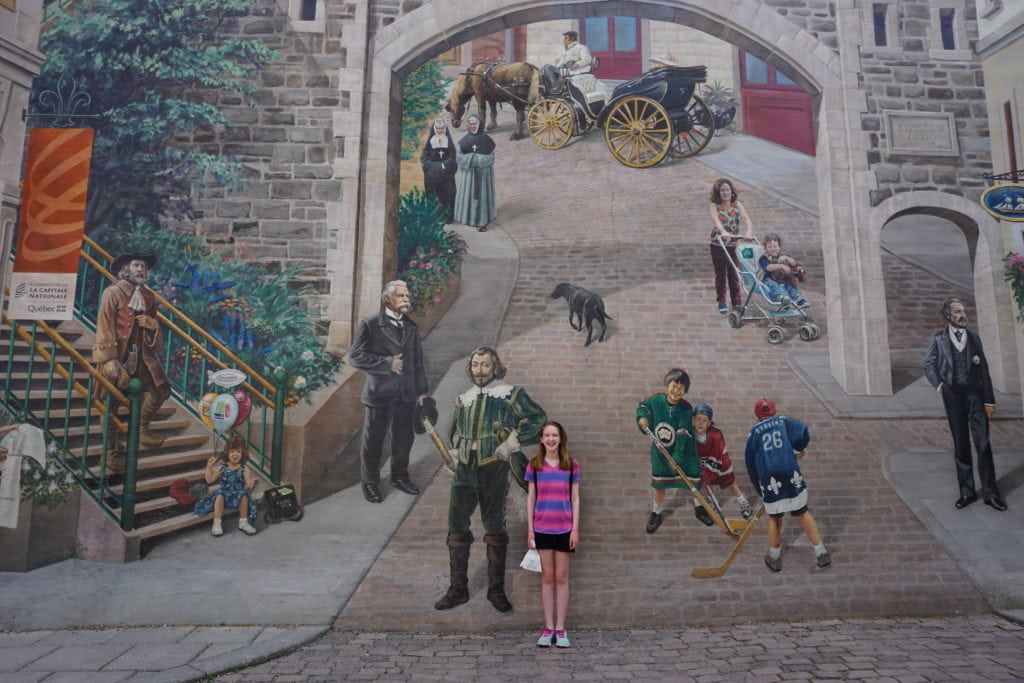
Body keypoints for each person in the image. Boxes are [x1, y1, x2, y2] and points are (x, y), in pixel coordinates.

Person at [435, 346, 547, 613]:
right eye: (475, 365)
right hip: (464, 470)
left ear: (495, 367)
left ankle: (496, 590)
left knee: (494, 525)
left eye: (486, 366)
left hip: (494, 466)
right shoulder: (464, 398)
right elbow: (455, 432)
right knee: (456, 526)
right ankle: (458, 589)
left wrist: (513, 441)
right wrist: (453, 453)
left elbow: (538, 419)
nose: (480, 371)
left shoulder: (510, 394)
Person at [922, 297, 1007, 511]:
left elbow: (984, 370)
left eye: (963, 311)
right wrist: (941, 386)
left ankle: (990, 493)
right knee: (961, 444)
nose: (962, 315)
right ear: (948, 316)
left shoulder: (974, 339)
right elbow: (928, 365)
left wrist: (989, 399)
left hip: (975, 396)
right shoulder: (939, 339)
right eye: (958, 312)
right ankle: (967, 492)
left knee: (983, 444)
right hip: (953, 397)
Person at [349, 280, 428, 504]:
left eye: (407, 295)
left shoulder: (411, 327)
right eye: (401, 296)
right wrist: (387, 364)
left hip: (406, 394)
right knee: (374, 440)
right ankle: (370, 482)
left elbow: (417, 361)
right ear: (387, 299)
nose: (406, 299)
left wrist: (421, 391)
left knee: (404, 438)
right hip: (380, 394)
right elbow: (355, 356)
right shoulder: (371, 324)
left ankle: (399, 477)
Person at [92, 253, 172, 466]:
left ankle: (141, 428)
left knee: (161, 389)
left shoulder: (148, 296)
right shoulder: (112, 293)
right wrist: (108, 359)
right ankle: (110, 451)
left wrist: (153, 327)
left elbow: (154, 326)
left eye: (144, 266)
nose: (141, 269)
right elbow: (104, 325)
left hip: (142, 356)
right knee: (112, 402)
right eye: (136, 265)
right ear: (126, 269)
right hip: (117, 356)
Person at [744, 398, 830, 572]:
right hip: (790, 473)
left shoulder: (753, 435)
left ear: (755, 417)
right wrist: (798, 449)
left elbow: (750, 464)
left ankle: (775, 557)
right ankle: (821, 552)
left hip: (769, 479)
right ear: (775, 412)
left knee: (775, 518)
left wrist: (759, 488)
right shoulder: (783, 421)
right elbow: (803, 430)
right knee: (802, 513)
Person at [526, 421, 580, 649]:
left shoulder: (571, 465)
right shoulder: (535, 465)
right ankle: (548, 628)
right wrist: (530, 528)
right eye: (547, 435)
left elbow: (576, 498)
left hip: (565, 529)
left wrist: (575, 528)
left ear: (561, 438)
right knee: (547, 578)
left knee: (562, 578)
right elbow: (531, 498)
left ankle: (561, 628)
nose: (550, 439)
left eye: (554, 435)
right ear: (541, 439)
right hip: (542, 528)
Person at [636, 368, 700, 534]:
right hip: (661, 452)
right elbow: (643, 407)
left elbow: (683, 432)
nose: (676, 390)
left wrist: (678, 455)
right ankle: (656, 513)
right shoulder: (656, 400)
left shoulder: (686, 409)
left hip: (682, 450)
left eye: (681, 388)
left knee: (693, 478)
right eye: (674, 385)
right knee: (659, 484)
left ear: (685, 391)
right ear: (667, 385)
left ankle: (700, 507)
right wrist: (643, 418)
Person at [691, 403, 752, 524]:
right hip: (702, 465)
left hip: (720, 463)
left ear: (709, 423)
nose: (701, 423)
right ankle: (713, 502)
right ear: (693, 420)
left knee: (730, 484)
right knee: (702, 484)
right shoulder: (690, 435)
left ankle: (743, 502)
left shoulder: (716, 435)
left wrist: (707, 473)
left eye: (704, 420)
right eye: (698, 419)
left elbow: (716, 456)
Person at [193, 435, 258, 536]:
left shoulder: (244, 469)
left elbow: (246, 487)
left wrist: (249, 485)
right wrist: (209, 467)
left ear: (243, 454)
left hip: (238, 494)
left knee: (244, 496)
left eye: (238, 451)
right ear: (227, 453)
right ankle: (217, 523)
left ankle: (243, 523)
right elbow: (209, 480)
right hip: (224, 494)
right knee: (219, 496)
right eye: (232, 451)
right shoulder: (223, 467)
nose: (235, 454)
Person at [708, 179, 753, 314]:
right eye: (722, 190)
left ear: (732, 191)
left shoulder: (737, 205)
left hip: (734, 243)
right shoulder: (714, 206)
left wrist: (748, 231)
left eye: (727, 190)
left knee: (734, 273)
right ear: (718, 192)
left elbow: (746, 219)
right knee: (721, 273)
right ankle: (722, 301)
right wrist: (722, 231)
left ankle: (737, 303)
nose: (725, 192)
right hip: (718, 244)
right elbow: (716, 220)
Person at [453, 113, 497, 232]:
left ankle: (482, 222)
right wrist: (474, 158)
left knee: (482, 198)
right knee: (468, 197)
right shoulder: (463, 141)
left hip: (483, 175)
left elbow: (491, 158)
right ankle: (468, 219)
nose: (472, 126)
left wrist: (475, 159)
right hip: (469, 176)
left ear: (480, 124)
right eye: (471, 124)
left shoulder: (487, 140)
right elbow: (459, 158)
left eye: (475, 123)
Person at [419, 117, 457, 222]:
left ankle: (448, 217)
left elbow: (452, 157)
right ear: (434, 128)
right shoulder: (430, 141)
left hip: (446, 174)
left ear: (444, 128)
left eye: (442, 128)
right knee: (434, 196)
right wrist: (434, 167)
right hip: (433, 175)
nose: (440, 130)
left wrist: (444, 166)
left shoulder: (449, 142)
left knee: (448, 194)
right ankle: (435, 217)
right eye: (438, 128)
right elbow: (424, 158)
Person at [759, 233, 809, 308]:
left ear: (779, 247)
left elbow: (793, 263)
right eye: (770, 247)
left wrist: (786, 258)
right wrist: (781, 266)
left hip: (784, 278)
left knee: (791, 284)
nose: (773, 249)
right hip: (770, 278)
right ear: (766, 248)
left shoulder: (783, 255)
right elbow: (768, 267)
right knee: (772, 284)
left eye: (775, 246)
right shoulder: (764, 257)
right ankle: (781, 299)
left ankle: (799, 300)